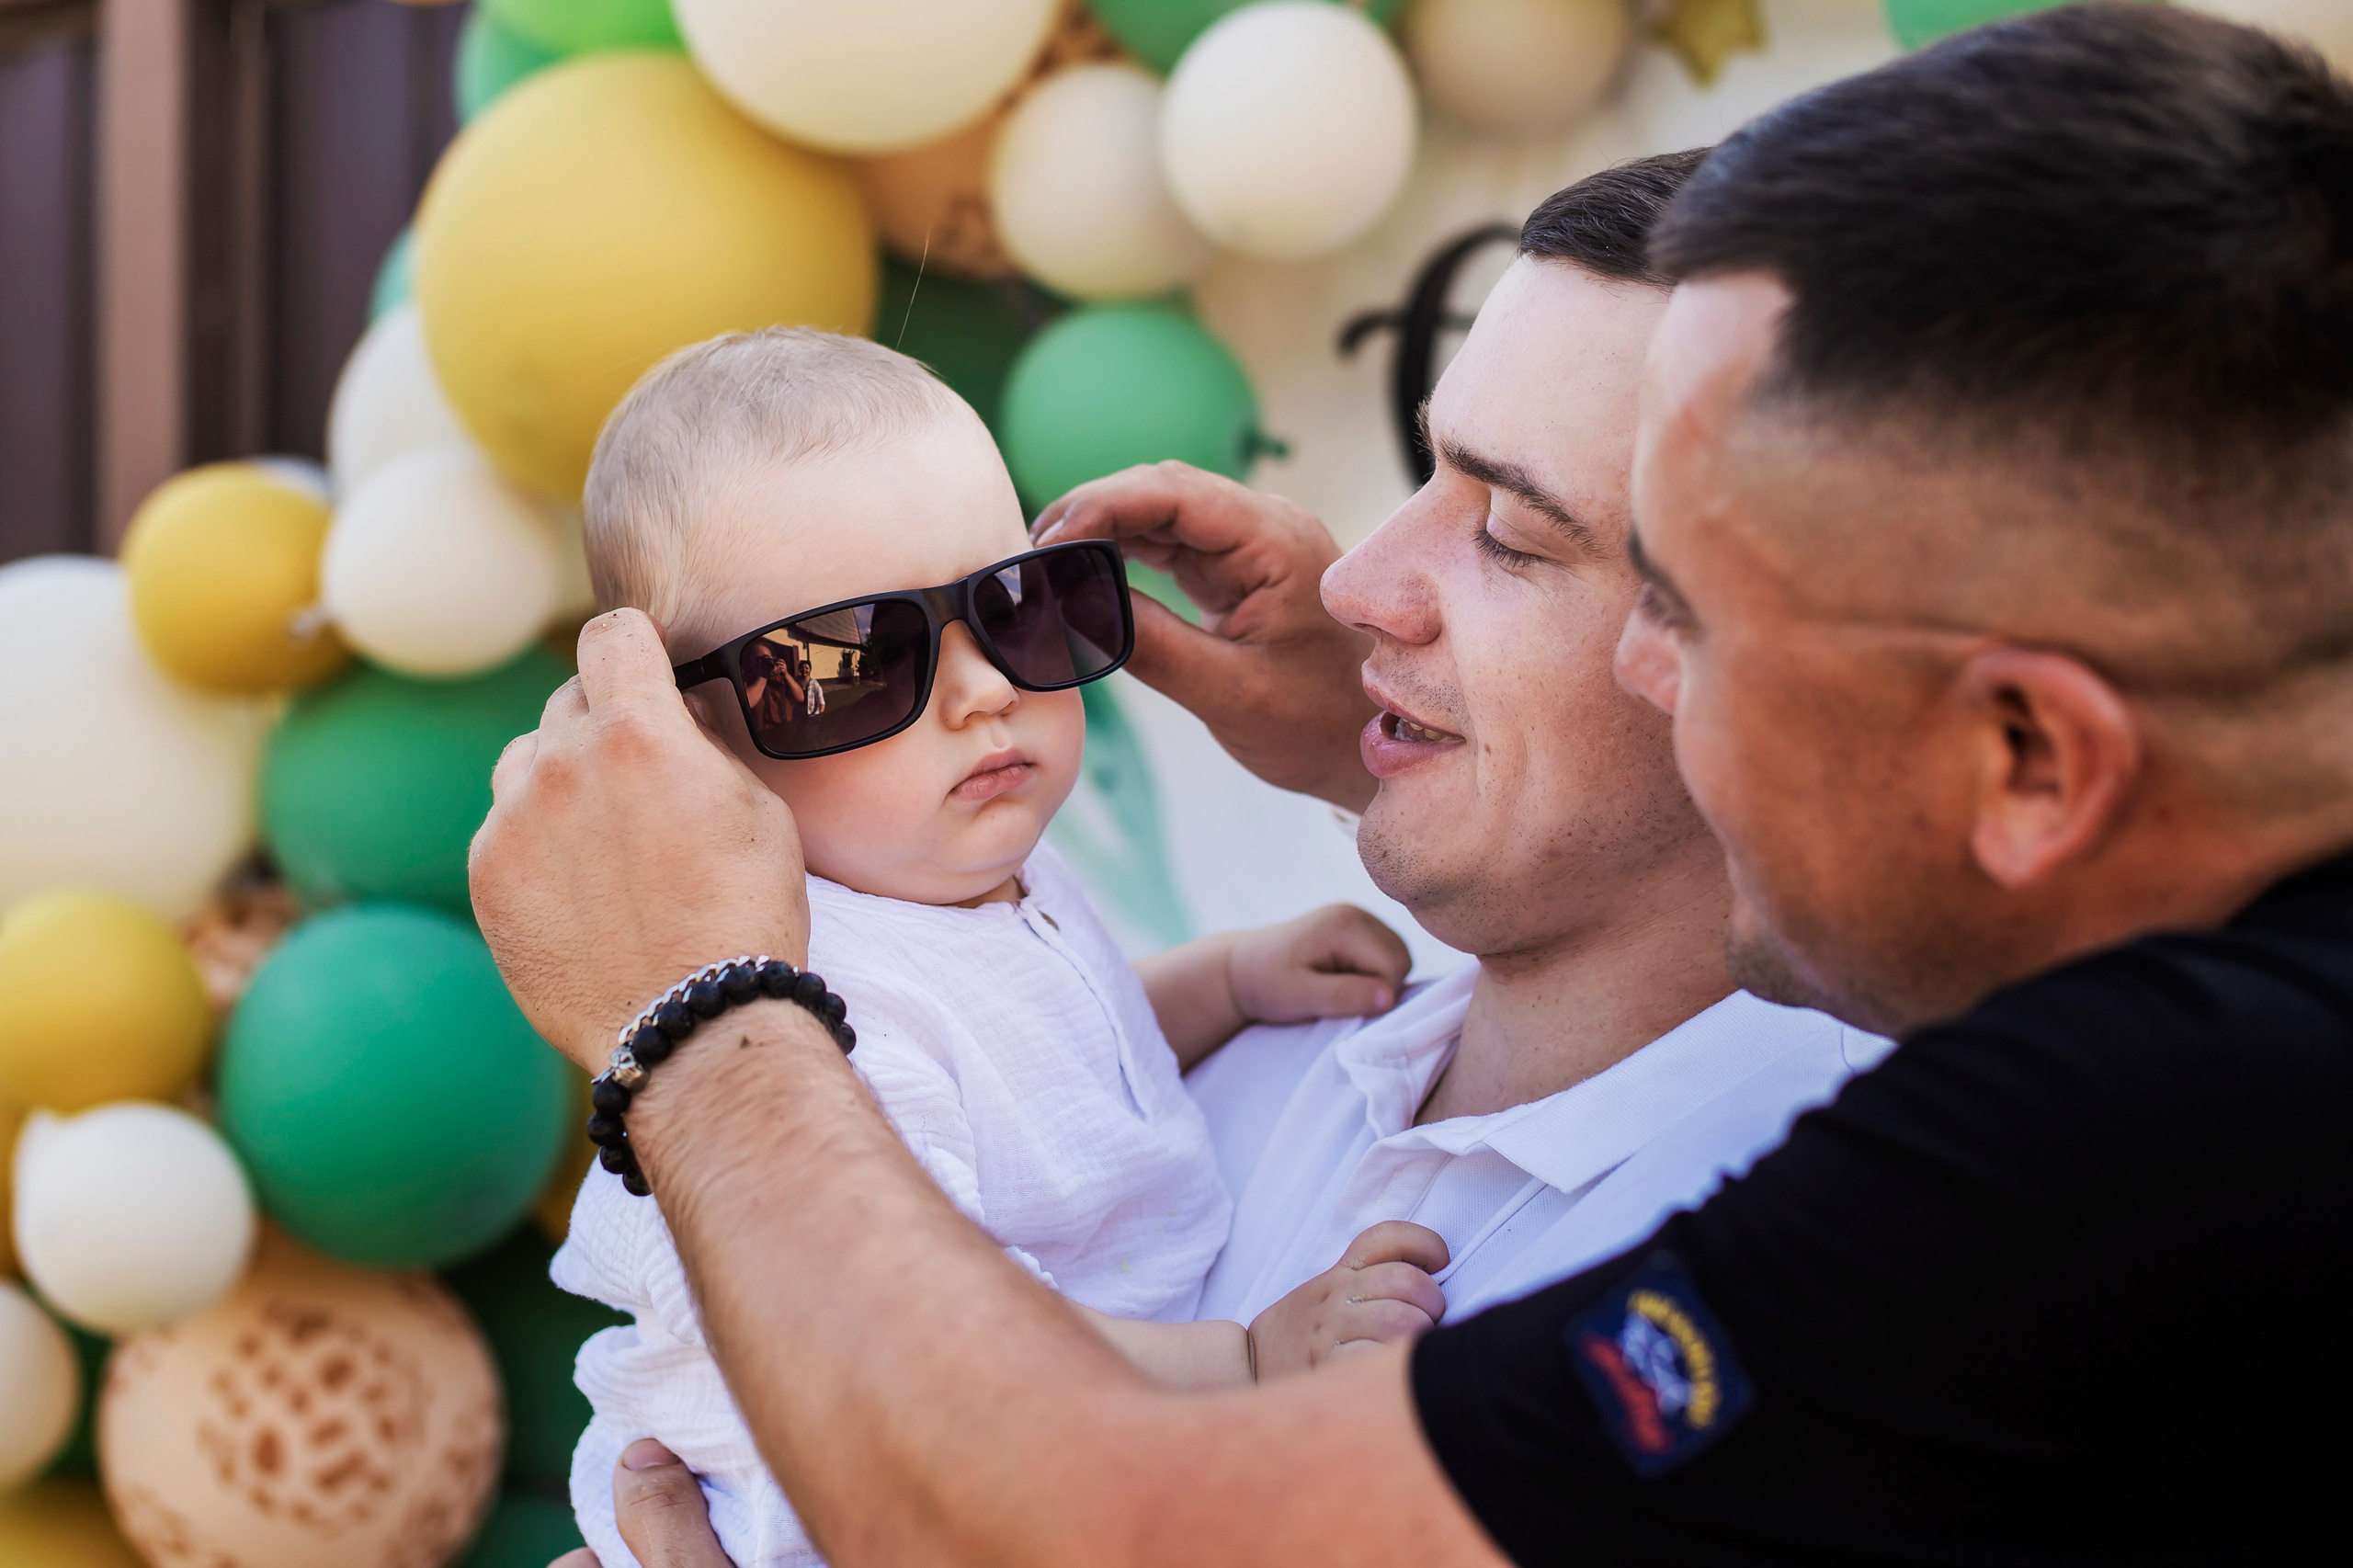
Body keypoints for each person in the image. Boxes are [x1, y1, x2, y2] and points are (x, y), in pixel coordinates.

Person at [472, 6, 2353, 1562]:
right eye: (1426, 478)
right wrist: (1407, 744)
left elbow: (1068, 1521)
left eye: (1550, 550)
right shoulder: (1290, 1029)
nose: (1355, 578)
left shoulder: (2101, 1166)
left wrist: (697, 1008)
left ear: (2022, 761)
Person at [551, 326, 1420, 1568]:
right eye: (854, 661)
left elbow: (1041, 1067)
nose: (985, 691)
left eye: (1017, 606)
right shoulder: (807, 1013)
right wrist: (1243, 1360)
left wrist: (1222, 981)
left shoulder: (958, 867)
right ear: (696, 742)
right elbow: (953, 1335)